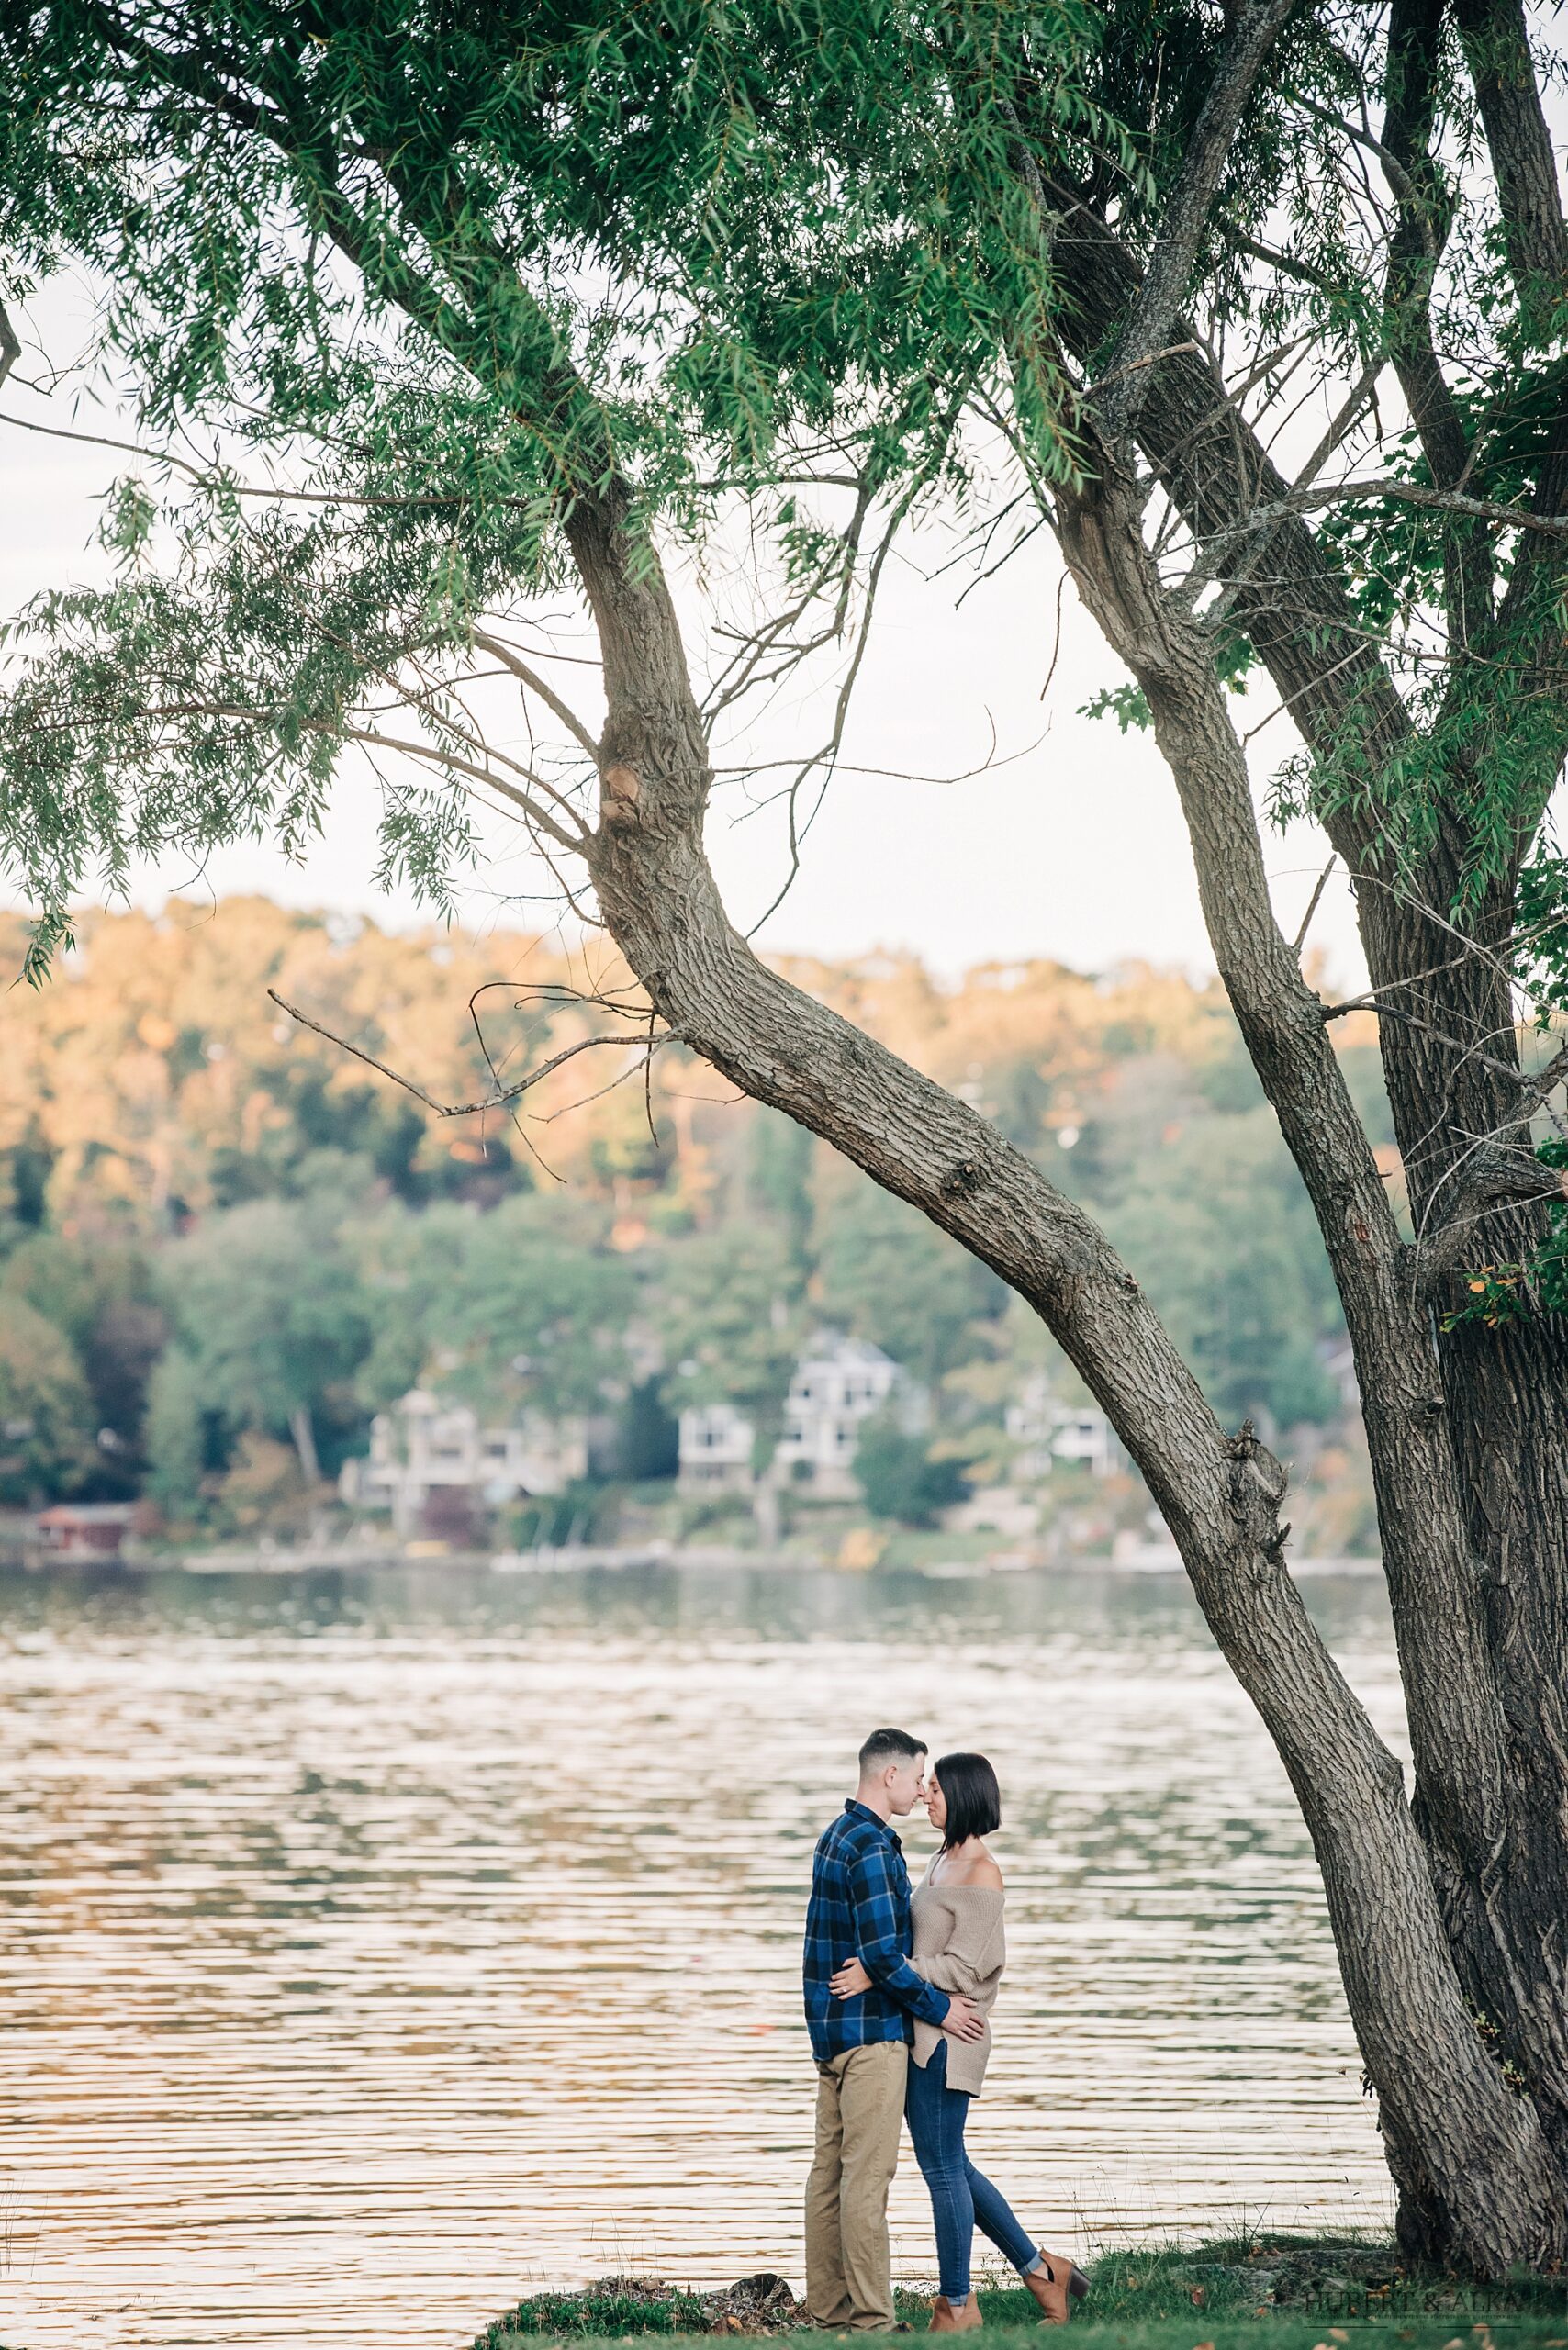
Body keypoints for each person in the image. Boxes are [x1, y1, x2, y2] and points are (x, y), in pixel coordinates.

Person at [831, 1751, 1089, 2334]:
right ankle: (1043, 2271)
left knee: (942, 2168)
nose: (926, 1796)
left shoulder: (980, 1873)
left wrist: (885, 1969)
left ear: (966, 1797)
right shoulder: (941, 1859)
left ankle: (956, 2306)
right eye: (926, 1788)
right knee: (951, 2165)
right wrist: (896, 1971)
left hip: (953, 2034)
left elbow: (966, 1970)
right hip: (927, 2026)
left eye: (938, 1790)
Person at [802, 1727, 988, 2333]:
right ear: (890, 1776)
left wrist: (874, 1969)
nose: (920, 1789)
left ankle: (830, 2315)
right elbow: (883, 1956)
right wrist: (940, 2009)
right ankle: (874, 2325)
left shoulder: (835, 1836)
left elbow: (855, 1951)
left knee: (827, 2177)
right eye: (916, 1778)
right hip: (872, 2039)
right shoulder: (876, 1847)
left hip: (830, 2035)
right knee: (867, 2179)